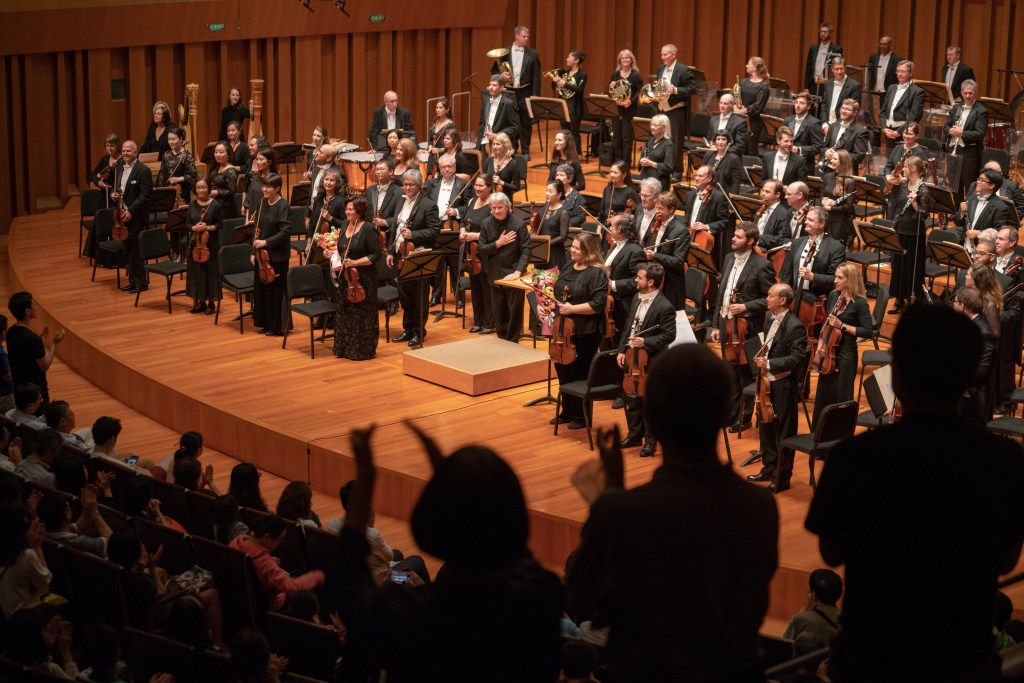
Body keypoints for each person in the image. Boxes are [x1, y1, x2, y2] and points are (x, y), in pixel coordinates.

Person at [805, 302, 1024, 682]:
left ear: (898, 376)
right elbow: (1007, 560)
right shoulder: (1005, 460)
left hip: (872, 658)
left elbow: (831, 551)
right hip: (962, 660)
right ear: (969, 375)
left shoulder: (853, 456)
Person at [566, 343, 778, 681]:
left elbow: (579, 600)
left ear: (650, 418)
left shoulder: (622, 513)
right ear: (726, 412)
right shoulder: (760, 507)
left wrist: (608, 502)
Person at [336, 423, 563, 682]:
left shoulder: (409, 614)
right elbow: (506, 535)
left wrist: (366, 475)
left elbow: (352, 583)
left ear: (432, 528)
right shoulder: (541, 595)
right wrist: (452, 484)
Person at [711, 222, 775, 433]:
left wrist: (746, 306)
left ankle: (743, 417)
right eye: (734, 235)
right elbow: (721, 294)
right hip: (726, 324)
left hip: (747, 327)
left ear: (750, 241)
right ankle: (730, 413)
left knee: (745, 373)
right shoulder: (729, 258)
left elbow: (770, 299)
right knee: (730, 371)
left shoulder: (762, 265)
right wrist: (715, 324)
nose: (733, 239)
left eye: (738, 237)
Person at [748, 284, 807, 493]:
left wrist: (770, 363)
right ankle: (768, 468)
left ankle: (781, 479)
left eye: (770, 295)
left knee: (783, 431)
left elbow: (797, 358)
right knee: (766, 426)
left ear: (782, 300)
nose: (766, 298)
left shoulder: (795, 326)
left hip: (783, 385)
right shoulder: (769, 318)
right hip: (765, 382)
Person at [546, 232, 608, 430]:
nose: (572, 250)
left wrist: (572, 309)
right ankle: (567, 411)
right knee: (563, 370)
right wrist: (547, 308)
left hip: (585, 331)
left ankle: (581, 415)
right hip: (563, 329)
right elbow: (558, 293)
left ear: (588, 251)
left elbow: (598, 304)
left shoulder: (596, 273)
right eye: (572, 246)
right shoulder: (568, 265)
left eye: (576, 248)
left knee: (580, 372)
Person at [616, 262, 678, 456]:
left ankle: (651, 441)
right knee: (631, 397)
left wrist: (646, 341)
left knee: (648, 401)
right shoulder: (637, 297)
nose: (636, 280)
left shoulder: (665, 306)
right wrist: (621, 350)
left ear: (650, 282)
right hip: (631, 355)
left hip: (650, 360)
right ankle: (635, 435)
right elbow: (628, 327)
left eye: (639, 277)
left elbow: (669, 335)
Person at [811, 263, 872, 427]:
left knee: (841, 397)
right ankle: (819, 433)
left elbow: (868, 331)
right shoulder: (833, 295)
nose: (835, 281)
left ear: (850, 280)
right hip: (828, 352)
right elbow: (826, 323)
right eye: (835, 276)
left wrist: (842, 326)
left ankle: (840, 433)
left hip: (846, 355)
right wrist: (820, 347)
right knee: (824, 394)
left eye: (839, 278)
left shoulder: (860, 303)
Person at [387, 170, 440, 348]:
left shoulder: (428, 205)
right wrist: (390, 251)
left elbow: (435, 230)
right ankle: (408, 329)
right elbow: (394, 228)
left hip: (417, 256)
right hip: (400, 254)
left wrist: (413, 234)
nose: (407, 188)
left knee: (419, 296)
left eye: (411, 185)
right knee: (405, 296)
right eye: (405, 184)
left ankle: (419, 331)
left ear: (419, 186)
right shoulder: (400, 200)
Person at [328, 197, 383, 360]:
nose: (347, 212)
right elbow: (341, 249)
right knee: (345, 312)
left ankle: (361, 350)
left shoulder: (368, 229)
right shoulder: (345, 224)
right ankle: (344, 348)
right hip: (345, 277)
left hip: (363, 279)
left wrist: (355, 262)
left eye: (350, 209)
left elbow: (376, 255)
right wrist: (332, 254)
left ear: (360, 211)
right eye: (346, 209)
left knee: (361, 314)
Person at [478, 192, 531, 342]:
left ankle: (513, 341)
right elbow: (481, 248)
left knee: (514, 311)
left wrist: (518, 272)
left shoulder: (518, 223)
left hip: (513, 273)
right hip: (495, 273)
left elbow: (526, 250)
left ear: (507, 207)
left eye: (500, 207)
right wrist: (498, 243)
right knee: (499, 311)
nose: (496, 211)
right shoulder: (486, 223)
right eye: (493, 208)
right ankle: (501, 340)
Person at [779, 206, 846, 318]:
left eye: (810, 220)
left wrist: (813, 277)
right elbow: (787, 274)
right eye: (806, 219)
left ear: (821, 224)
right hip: (794, 298)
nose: (806, 222)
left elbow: (836, 279)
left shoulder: (836, 248)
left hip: (816, 301)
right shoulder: (797, 243)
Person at [887, 155, 932, 313]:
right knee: (898, 266)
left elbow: (924, 215)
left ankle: (911, 300)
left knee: (911, 267)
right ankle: (898, 299)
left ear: (913, 168)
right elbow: (898, 207)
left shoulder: (923, 189)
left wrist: (914, 203)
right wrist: (894, 226)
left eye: (905, 167)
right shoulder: (903, 185)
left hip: (914, 234)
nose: (903, 169)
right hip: (900, 230)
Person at [6, 292, 64, 410]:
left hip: (20, 389)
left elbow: (24, 354)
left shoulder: (11, 332)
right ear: (28, 311)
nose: (36, 307)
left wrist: (40, 341)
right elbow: (45, 366)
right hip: (35, 393)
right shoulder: (31, 338)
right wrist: (54, 344)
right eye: (34, 304)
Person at [111, 139, 154, 294]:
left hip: (136, 217)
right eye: (123, 150)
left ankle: (141, 283)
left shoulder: (143, 170)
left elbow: (145, 196)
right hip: (122, 216)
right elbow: (120, 189)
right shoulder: (120, 169)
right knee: (127, 249)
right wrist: (114, 195)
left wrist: (131, 211)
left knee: (136, 251)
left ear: (136, 152)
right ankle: (132, 282)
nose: (125, 153)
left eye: (128, 151)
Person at [251, 172, 290, 337]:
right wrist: (253, 252)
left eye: (268, 187)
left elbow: (285, 232)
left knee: (275, 291)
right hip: (261, 255)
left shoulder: (283, 206)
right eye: (264, 186)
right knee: (263, 290)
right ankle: (266, 323)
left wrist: (266, 242)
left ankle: (277, 326)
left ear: (277, 188)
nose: (264, 189)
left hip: (277, 255)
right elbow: (256, 229)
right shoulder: (262, 203)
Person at [494, 25, 541, 157]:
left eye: (527, 36)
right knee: (509, 121)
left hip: (525, 91)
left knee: (525, 122)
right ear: (516, 36)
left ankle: (526, 151)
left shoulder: (533, 53)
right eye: (524, 36)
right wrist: (501, 76)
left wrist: (535, 95)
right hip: (509, 92)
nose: (526, 39)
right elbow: (494, 70)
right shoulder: (505, 52)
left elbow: (536, 76)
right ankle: (512, 148)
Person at [0, 498, 50, 618]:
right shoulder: (26, 555)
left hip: (7, 617)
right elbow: (45, 584)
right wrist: (38, 548)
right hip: (28, 619)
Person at [458, 174, 495, 334]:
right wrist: (462, 231)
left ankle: (489, 323)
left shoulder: (493, 205)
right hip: (471, 254)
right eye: (476, 185)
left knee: (486, 289)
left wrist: (474, 236)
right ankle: (478, 321)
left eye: (481, 185)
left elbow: (494, 232)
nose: (477, 188)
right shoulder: (472, 201)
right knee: (476, 289)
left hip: (486, 253)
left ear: (489, 187)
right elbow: (463, 221)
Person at [645, 191, 692, 310]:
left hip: (670, 284)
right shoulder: (657, 222)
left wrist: (654, 256)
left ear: (671, 209)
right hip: (654, 278)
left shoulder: (681, 231)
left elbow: (678, 261)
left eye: (661, 208)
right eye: (656, 208)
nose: (657, 211)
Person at [655, 44, 697, 175]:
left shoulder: (684, 70)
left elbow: (692, 89)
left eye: (665, 54)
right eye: (662, 54)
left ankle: (677, 172)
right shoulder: (660, 68)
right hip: (661, 109)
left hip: (676, 111)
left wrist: (676, 90)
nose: (662, 57)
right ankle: (663, 169)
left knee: (675, 142)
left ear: (673, 54)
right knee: (661, 139)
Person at [605, 214, 645, 347]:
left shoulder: (636, 251)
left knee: (619, 341)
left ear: (620, 229)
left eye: (612, 225)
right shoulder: (616, 245)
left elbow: (638, 281)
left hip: (622, 305)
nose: (610, 228)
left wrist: (612, 284)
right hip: (610, 302)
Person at [38, 487, 112, 558]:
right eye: (67, 506)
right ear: (67, 513)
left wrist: (87, 508)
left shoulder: (45, 535)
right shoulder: (78, 542)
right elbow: (113, 545)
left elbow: (79, 527)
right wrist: (95, 511)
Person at [679, 165, 729, 269]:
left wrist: (706, 227)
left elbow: (724, 221)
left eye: (700, 176)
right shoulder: (690, 195)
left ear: (709, 178)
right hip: (688, 237)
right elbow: (687, 218)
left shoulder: (718, 197)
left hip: (706, 241)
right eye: (696, 175)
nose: (696, 178)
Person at [944, 80, 987, 200]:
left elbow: (980, 134)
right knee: (954, 184)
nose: (968, 96)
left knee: (969, 185)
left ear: (975, 93)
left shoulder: (981, 111)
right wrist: (950, 131)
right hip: (953, 150)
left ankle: (968, 209)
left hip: (969, 153)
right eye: (965, 93)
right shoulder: (956, 107)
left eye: (970, 93)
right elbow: (946, 126)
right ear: (961, 93)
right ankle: (957, 209)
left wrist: (961, 133)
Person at [185, 177, 222, 315]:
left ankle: (211, 304)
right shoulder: (192, 205)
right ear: (195, 190)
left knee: (210, 273)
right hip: (196, 245)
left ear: (209, 188)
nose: (201, 190)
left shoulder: (215, 205)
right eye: (198, 187)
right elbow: (187, 224)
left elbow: (220, 224)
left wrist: (208, 227)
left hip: (210, 244)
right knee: (197, 273)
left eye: (204, 187)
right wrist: (194, 228)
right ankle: (200, 302)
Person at [953, 168, 1010, 255]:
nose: (978, 182)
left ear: (991, 185)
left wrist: (979, 233)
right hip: (964, 247)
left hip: (983, 252)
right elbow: (958, 223)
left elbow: (999, 232)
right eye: (978, 179)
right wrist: (962, 212)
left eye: (982, 180)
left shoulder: (1001, 207)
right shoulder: (971, 199)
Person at [782, 569, 843, 644]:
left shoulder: (800, 619)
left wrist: (804, 608)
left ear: (813, 595)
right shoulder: (847, 620)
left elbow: (786, 641)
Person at [609, 49, 645, 169]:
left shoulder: (635, 75)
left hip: (629, 109)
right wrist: (611, 86)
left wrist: (630, 101)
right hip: (617, 109)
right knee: (616, 137)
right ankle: (618, 162)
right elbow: (611, 91)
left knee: (627, 138)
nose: (625, 60)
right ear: (620, 60)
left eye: (627, 58)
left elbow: (641, 92)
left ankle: (626, 163)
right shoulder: (615, 74)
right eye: (623, 58)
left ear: (631, 60)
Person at [820, 98, 870, 175]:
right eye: (843, 108)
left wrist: (838, 157)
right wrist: (826, 152)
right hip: (828, 170)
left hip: (846, 173)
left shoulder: (860, 131)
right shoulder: (833, 126)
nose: (843, 111)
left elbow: (859, 156)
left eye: (847, 109)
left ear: (855, 113)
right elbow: (824, 147)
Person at [879, 60, 925, 144]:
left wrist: (898, 132)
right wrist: (884, 128)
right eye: (898, 71)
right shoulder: (891, 88)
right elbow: (883, 112)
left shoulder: (917, 92)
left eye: (903, 71)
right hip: (888, 131)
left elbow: (914, 117)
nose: (899, 74)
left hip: (905, 132)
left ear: (910, 73)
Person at [551, 50, 588, 153]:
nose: (567, 59)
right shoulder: (564, 73)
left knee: (574, 132)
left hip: (575, 107)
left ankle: (577, 154)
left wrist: (565, 84)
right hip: (564, 106)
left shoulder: (582, 74)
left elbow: (580, 90)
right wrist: (554, 81)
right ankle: (565, 153)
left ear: (576, 61)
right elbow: (555, 88)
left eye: (569, 57)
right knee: (564, 133)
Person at [735, 56, 771, 155]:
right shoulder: (743, 82)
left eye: (749, 64)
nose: (746, 66)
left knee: (750, 149)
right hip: (740, 119)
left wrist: (743, 111)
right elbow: (735, 96)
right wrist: (735, 106)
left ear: (755, 68)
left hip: (753, 122)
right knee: (739, 148)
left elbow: (758, 106)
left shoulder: (764, 86)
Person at [478, 74, 520, 157]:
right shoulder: (486, 101)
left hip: (501, 146)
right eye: (490, 84)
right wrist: (478, 146)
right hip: (485, 143)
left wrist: (497, 135)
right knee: (485, 165)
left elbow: (515, 127)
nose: (490, 87)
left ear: (501, 87)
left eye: (494, 85)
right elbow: (482, 124)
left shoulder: (508, 104)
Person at [821, 148, 856, 246]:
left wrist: (831, 208)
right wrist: (823, 201)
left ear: (843, 162)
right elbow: (821, 194)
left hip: (839, 219)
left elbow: (849, 206)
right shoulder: (827, 176)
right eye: (832, 158)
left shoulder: (850, 181)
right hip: (825, 216)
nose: (831, 161)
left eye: (835, 159)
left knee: (833, 245)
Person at [156, 127, 198, 205]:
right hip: (167, 193)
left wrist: (178, 179)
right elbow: (161, 174)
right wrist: (159, 191)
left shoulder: (187, 156)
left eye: (173, 139)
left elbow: (193, 176)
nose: (170, 142)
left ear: (180, 139)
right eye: (169, 139)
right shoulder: (166, 154)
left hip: (181, 194)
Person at [785, 91, 825, 168]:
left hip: (804, 165)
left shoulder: (814, 123)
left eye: (802, 103)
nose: (798, 105)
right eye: (796, 102)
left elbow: (818, 147)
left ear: (808, 106)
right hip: (787, 161)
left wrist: (799, 150)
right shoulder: (787, 120)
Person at [537, 180, 570, 271]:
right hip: (541, 252)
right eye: (546, 190)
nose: (547, 193)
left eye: (550, 191)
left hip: (555, 253)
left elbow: (563, 236)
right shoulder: (544, 208)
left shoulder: (563, 212)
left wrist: (547, 243)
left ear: (559, 194)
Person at [819, 58, 861, 128]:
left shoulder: (854, 85)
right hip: (827, 124)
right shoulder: (828, 83)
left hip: (843, 125)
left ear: (845, 68)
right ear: (832, 69)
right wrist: (824, 124)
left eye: (841, 69)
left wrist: (835, 128)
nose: (839, 72)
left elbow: (853, 109)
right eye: (836, 69)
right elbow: (824, 105)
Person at [636, 114, 675, 191]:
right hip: (645, 178)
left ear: (664, 128)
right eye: (651, 124)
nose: (652, 127)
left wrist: (652, 164)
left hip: (658, 182)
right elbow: (642, 158)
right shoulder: (650, 140)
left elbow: (668, 168)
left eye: (655, 125)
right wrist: (641, 161)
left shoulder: (668, 144)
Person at [597, 160, 640, 226]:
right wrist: (599, 228)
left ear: (624, 174)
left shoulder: (630, 192)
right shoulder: (607, 189)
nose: (612, 175)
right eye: (611, 171)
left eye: (615, 172)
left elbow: (638, 215)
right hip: (606, 227)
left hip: (621, 228)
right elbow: (602, 212)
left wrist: (618, 219)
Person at [702, 130, 745, 195]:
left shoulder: (734, 159)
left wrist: (732, 198)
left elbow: (736, 183)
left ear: (728, 142)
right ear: (715, 141)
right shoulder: (709, 154)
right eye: (718, 139)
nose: (720, 142)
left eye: (723, 139)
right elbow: (702, 174)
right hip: (707, 191)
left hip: (724, 194)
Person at [804, 21, 842, 93]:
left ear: (830, 33)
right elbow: (808, 68)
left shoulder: (836, 49)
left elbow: (838, 69)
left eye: (825, 32)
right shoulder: (813, 48)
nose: (823, 34)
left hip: (828, 85)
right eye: (821, 31)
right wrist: (806, 87)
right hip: (813, 84)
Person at [754, 180, 791, 253]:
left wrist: (757, 239)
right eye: (763, 191)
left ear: (777, 194)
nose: (763, 194)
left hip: (767, 251)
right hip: (754, 246)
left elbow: (780, 239)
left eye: (767, 192)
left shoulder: (784, 213)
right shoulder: (762, 207)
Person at [482, 131, 521, 201]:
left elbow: (516, 187)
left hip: (504, 199)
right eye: (493, 144)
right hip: (488, 197)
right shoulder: (488, 160)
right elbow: (484, 179)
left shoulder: (513, 164)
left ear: (505, 146)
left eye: (498, 144)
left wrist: (502, 182)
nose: (495, 147)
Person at [208, 142, 240, 221]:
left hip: (226, 209)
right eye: (216, 152)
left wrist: (217, 192)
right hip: (215, 205)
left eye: (221, 152)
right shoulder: (216, 167)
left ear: (228, 154)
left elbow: (232, 191)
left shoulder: (231, 170)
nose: (218, 155)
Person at [425, 98, 456, 178]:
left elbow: (453, 145)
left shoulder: (450, 125)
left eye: (440, 108)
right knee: (430, 177)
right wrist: (430, 146)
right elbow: (430, 139)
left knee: (440, 178)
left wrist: (439, 150)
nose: (438, 110)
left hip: (443, 156)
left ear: (447, 110)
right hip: (432, 156)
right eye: (437, 107)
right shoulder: (435, 121)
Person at [90, 133, 121, 209]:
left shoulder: (122, 161)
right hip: (103, 193)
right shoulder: (105, 158)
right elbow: (93, 174)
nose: (109, 148)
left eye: (112, 146)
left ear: (117, 146)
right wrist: (99, 183)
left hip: (115, 195)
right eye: (107, 146)